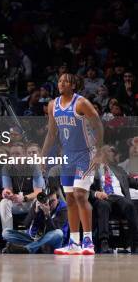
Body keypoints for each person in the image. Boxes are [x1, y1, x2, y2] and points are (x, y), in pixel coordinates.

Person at [41, 73, 103, 255]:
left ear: (73, 85)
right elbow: (51, 134)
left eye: (65, 81)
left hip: (86, 154)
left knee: (80, 195)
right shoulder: (53, 105)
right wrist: (43, 156)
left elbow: (98, 124)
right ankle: (74, 242)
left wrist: (98, 151)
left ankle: (88, 241)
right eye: (59, 80)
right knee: (69, 199)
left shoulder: (81, 103)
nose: (61, 83)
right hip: (68, 156)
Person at [89, 146, 138, 254]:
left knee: (129, 205)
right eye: (109, 151)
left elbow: (133, 182)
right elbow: (85, 189)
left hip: (119, 197)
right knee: (103, 205)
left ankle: (135, 242)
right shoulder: (92, 169)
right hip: (104, 197)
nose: (112, 154)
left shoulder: (118, 169)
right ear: (101, 154)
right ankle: (104, 242)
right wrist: (96, 193)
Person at [3, 188, 68, 254]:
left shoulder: (63, 208)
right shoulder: (38, 204)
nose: (50, 204)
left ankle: (27, 249)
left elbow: (53, 229)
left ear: (58, 199)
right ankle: (35, 247)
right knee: (6, 233)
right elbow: (25, 225)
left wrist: (47, 214)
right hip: (35, 238)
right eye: (48, 201)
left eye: (52, 201)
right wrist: (35, 212)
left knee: (58, 233)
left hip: (51, 242)